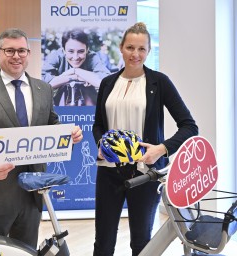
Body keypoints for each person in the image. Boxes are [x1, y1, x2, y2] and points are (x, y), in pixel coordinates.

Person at [0, 28, 83, 249]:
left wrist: (67, 134)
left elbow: (51, 123)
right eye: (9, 50)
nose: (16, 56)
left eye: (22, 50)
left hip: (32, 196)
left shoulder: (44, 89)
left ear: (29, 53)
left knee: (26, 251)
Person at [92, 22, 198, 256]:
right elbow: (98, 124)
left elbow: (190, 126)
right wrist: (101, 144)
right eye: (130, 47)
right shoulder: (107, 82)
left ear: (148, 51)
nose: (135, 54)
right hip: (109, 171)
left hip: (146, 173)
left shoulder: (159, 82)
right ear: (121, 48)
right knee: (102, 243)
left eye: (141, 49)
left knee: (141, 244)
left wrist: (161, 149)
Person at [42, 28, 110, 106]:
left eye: (81, 51)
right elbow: (42, 85)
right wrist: (75, 76)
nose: (75, 57)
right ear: (64, 50)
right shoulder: (56, 56)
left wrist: (76, 71)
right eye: (71, 51)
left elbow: (105, 82)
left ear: (87, 50)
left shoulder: (92, 57)